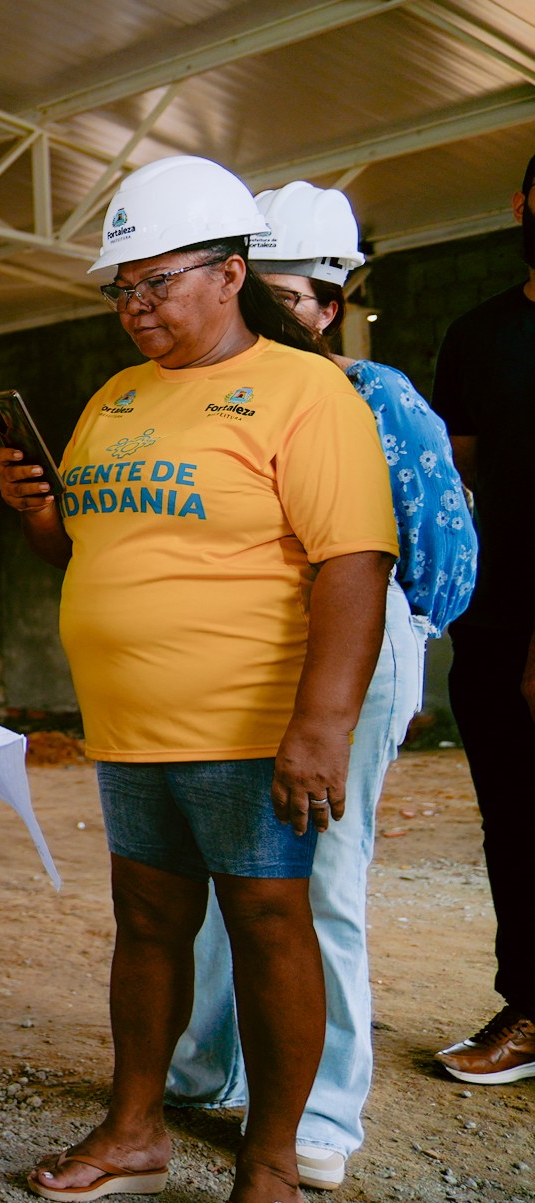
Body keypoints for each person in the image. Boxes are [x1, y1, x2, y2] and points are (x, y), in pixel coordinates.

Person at [0, 155, 396, 1203]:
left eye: (154, 283)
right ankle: (134, 1127)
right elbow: (83, 551)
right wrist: (37, 508)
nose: (133, 308)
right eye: (120, 288)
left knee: (269, 924)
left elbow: (354, 562)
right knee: (146, 921)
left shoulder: (305, 391)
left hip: (248, 720)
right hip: (130, 726)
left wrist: (320, 726)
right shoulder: (115, 399)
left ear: (228, 273)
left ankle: (269, 1157)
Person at [165, 181, 477, 1190]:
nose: (263, 315)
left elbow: (441, 554)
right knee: (226, 875)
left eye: (286, 297)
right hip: (230, 646)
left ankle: (317, 1113)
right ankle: (207, 1070)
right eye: (250, 293)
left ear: (330, 302)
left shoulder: (374, 396)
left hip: (348, 642)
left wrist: (393, 652)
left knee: (321, 884)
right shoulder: (213, 394)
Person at [427, 152, 535, 1088]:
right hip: (501, 625)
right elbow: (457, 480)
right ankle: (532, 1005)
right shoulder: (480, 335)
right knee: (517, 818)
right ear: (522, 201)